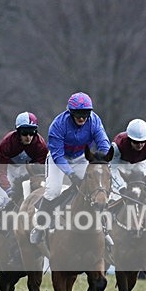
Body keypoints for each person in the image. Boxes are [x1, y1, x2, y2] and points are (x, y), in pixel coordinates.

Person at [30, 92, 111, 245]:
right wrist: (70, 174)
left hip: (81, 157)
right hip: (59, 158)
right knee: (53, 190)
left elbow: (103, 143)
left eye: (85, 114)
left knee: (94, 189)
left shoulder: (94, 121)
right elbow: (58, 156)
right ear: (70, 112)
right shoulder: (58, 125)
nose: (81, 118)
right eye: (78, 114)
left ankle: (104, 229)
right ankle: (40, 227)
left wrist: (104, 160)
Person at [0, 112, 48, 248]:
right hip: (6, 169)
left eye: (32, 132)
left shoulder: (40, 145)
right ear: (18, 131)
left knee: (30, 201)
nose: (28, 136)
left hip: (27, 170)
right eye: (24, 132)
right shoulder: (7, 142)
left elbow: (42, 169)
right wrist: (8, 188)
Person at [109, 118, 146, 244]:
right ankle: (106, 231)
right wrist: (121, 187)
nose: (140, 145)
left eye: (142, 142)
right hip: (120, 164)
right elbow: (112, 169)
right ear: (129, 139)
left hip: (140, 163)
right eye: (135, 142)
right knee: (114, 196)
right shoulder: (118, 145)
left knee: (143, 197)